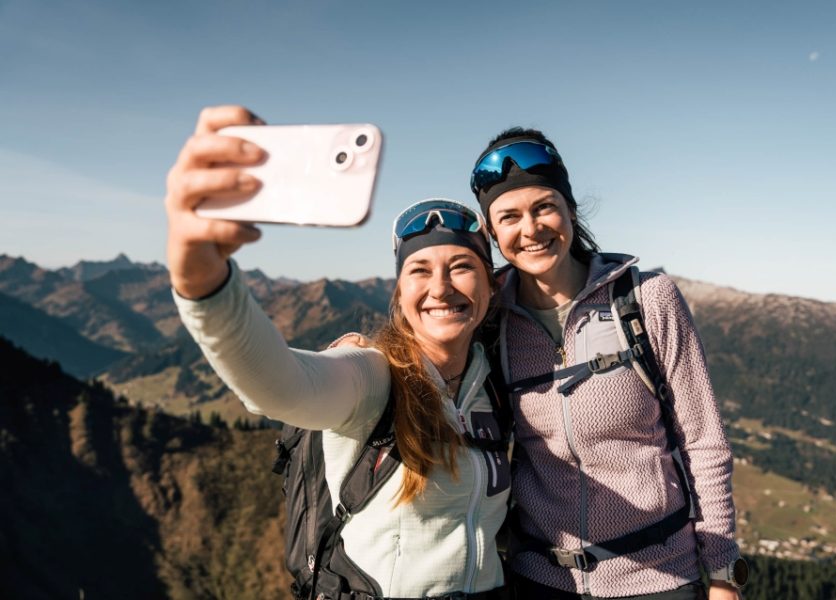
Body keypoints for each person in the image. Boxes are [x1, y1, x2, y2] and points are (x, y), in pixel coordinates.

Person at [165, 105, 510, 599]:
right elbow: (281, 385)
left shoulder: (496, 379)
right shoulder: (373, 377)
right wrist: (201, 280)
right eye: (419, 270)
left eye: (461, 266)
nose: (440, 286)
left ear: (491, 286)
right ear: (399, 294)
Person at [469, 128, 745, 600]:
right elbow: (428, 346)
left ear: (570, 211)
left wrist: (722, 572)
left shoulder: (646, 299)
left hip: (659, 578)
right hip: (540, 580)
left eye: (544, 207)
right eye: (509, 217)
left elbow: (703, 440)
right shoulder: (491, 318)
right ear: (493, 233)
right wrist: (364, 349)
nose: (530, 229)